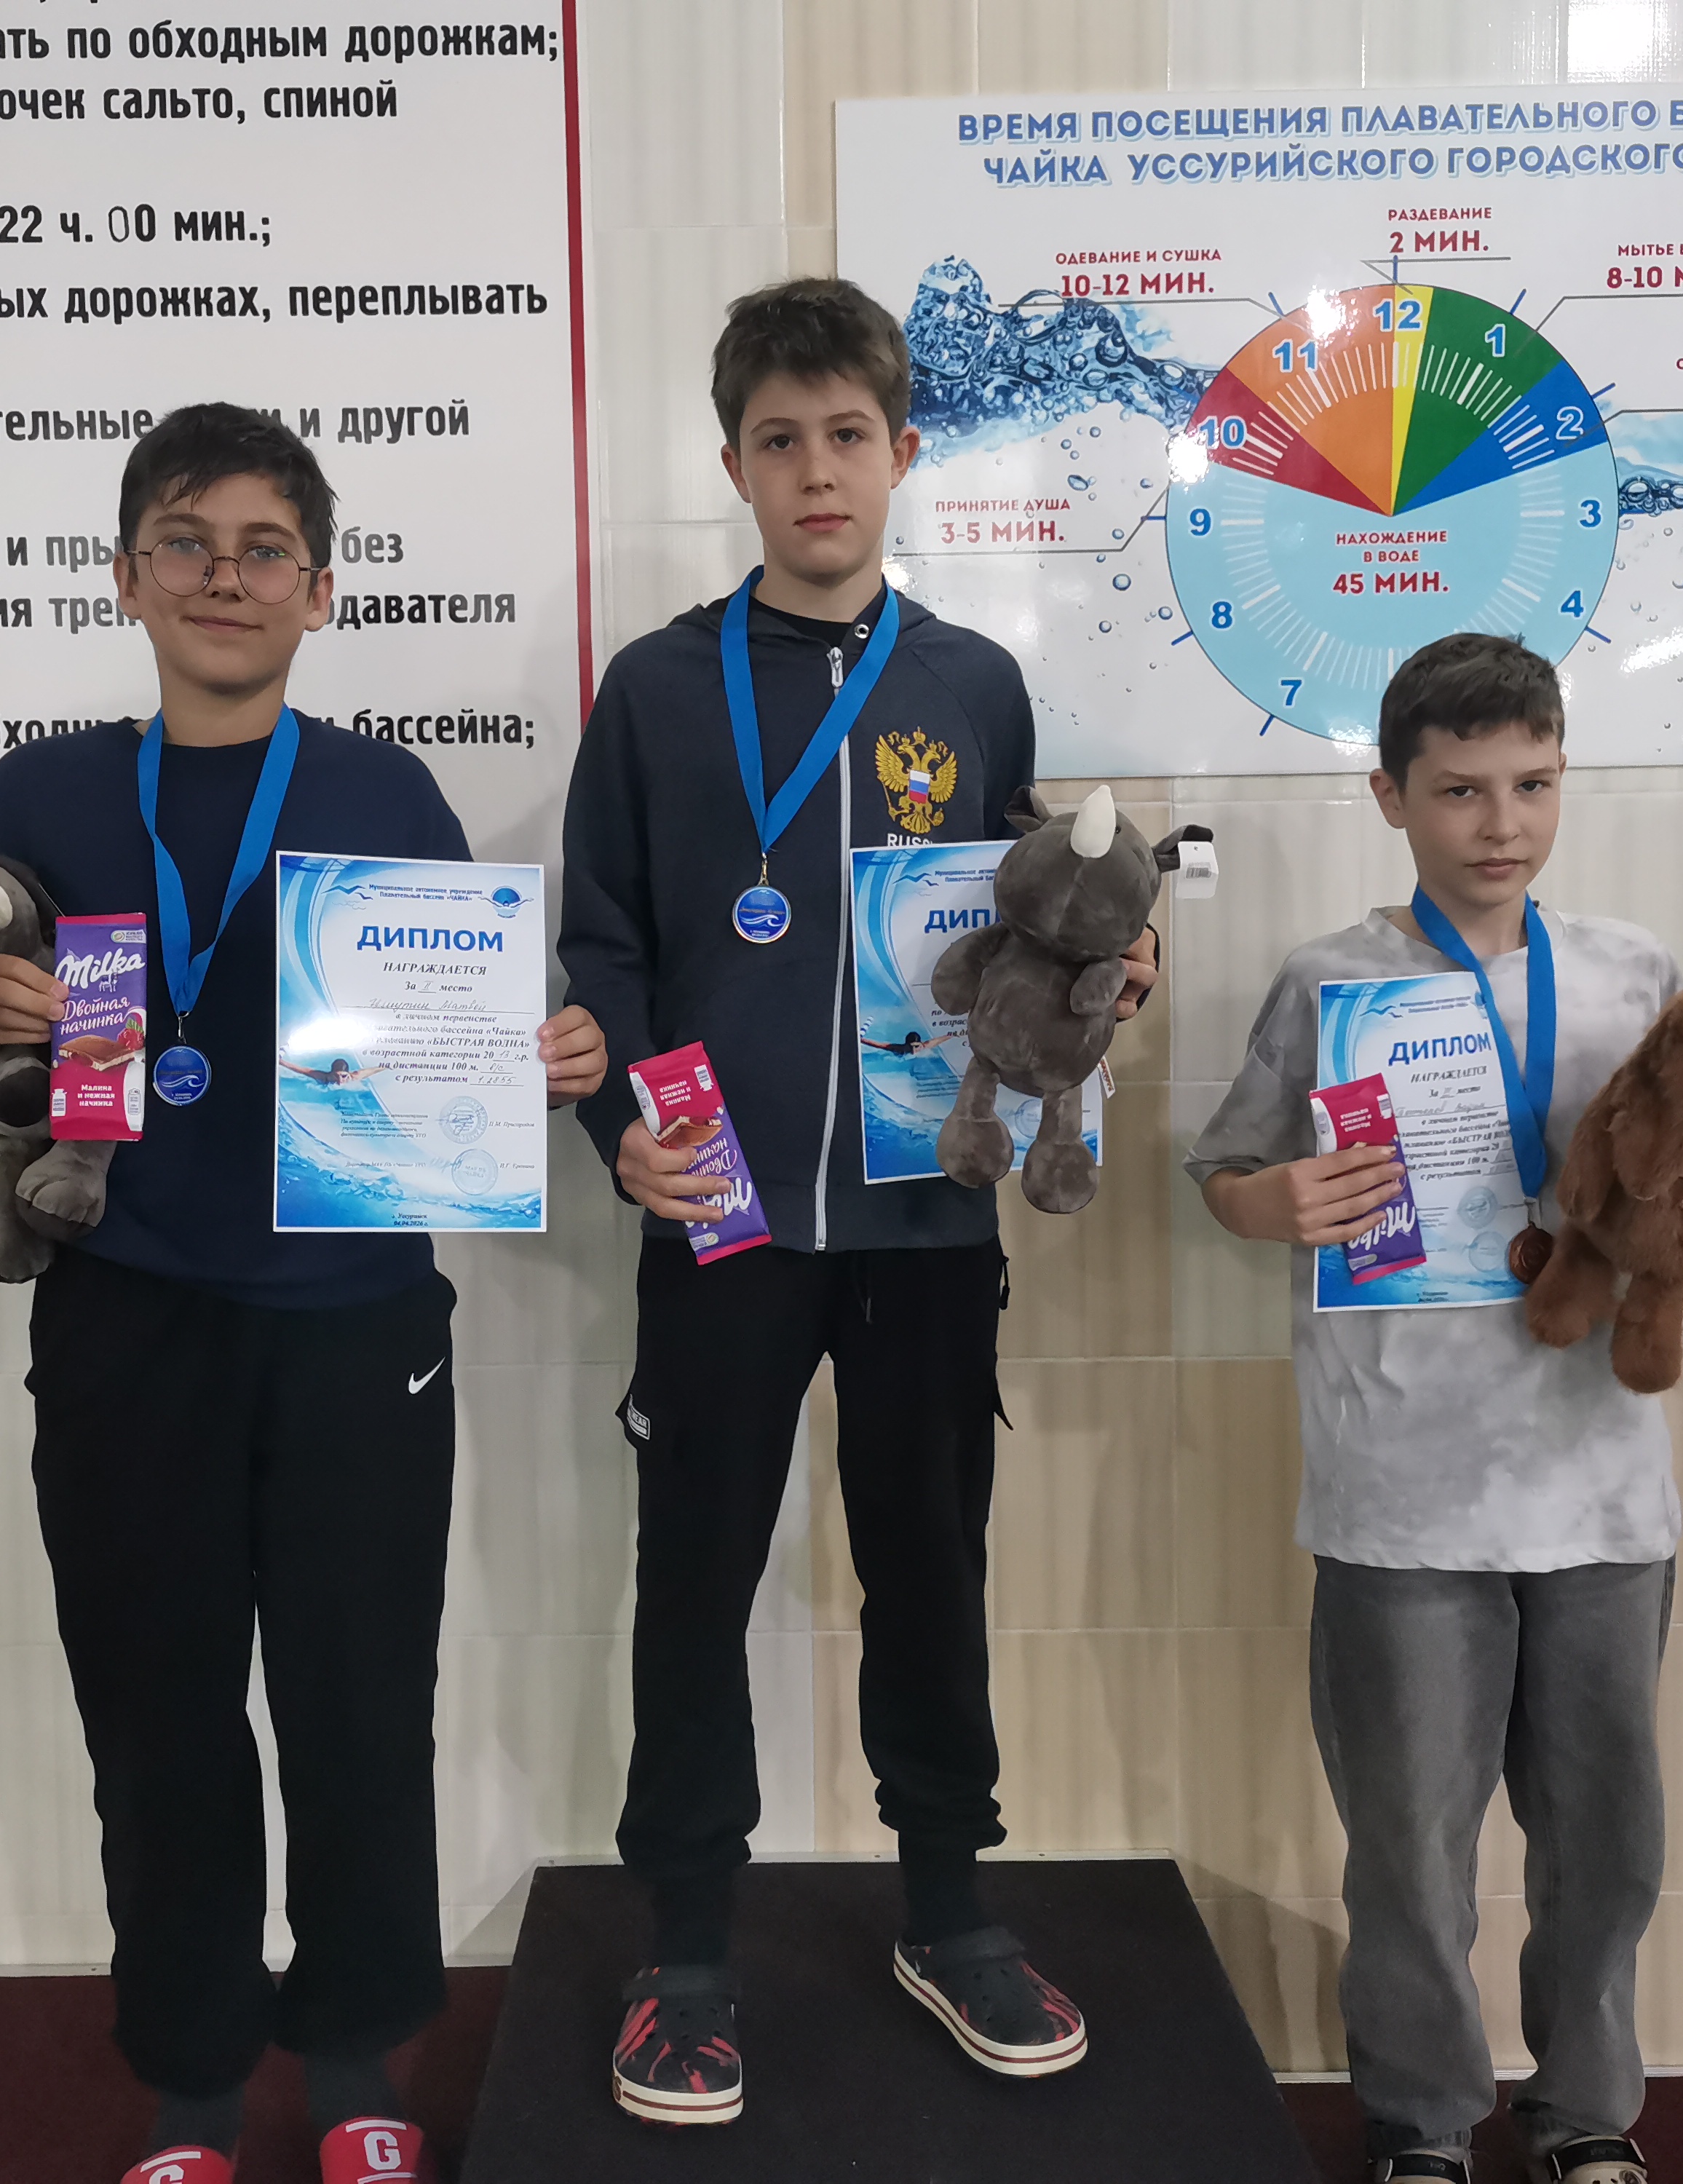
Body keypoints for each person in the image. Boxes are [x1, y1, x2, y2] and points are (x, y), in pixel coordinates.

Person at [0, 403, 606, 2184]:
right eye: (186, 544)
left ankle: (359, 2070)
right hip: (125, 1323)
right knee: (158, 1715)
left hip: (356, 1328)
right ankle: (192, 2085)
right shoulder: (44, 793)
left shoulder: (383, 797)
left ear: (320, 590)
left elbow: (458, 1057)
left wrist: (544, 1065)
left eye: (264, 547)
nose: (225, 576)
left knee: (361, 1709)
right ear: (125, 577)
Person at [557, 277, 1156, 2128]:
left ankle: (950, 1911)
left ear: (902, 453)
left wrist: (1102, 981)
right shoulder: (656, 689)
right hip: (718, 1223)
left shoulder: (968, 684)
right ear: (731, 464)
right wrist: (623, 1137)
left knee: (928, 1570)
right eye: (777, 440)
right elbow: (603, 942)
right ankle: (684, 1949)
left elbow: (1026, 925)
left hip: (922, 1226)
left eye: (844, 437)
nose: (814, 472)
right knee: (692, 1582)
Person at [1185, 633, 1683, 2184]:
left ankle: (1582, 2111)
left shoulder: (1637, 974)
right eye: (1457, 791)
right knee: (1408, 1849)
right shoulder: (1329, 980)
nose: (1500, 824)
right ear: (1389, 797)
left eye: (1531, 784)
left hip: (1599, 1486)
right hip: (1400, 1490)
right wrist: (1269, 1202)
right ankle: (1422, 2119)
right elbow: (1222, 1173)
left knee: (1604, 1841)